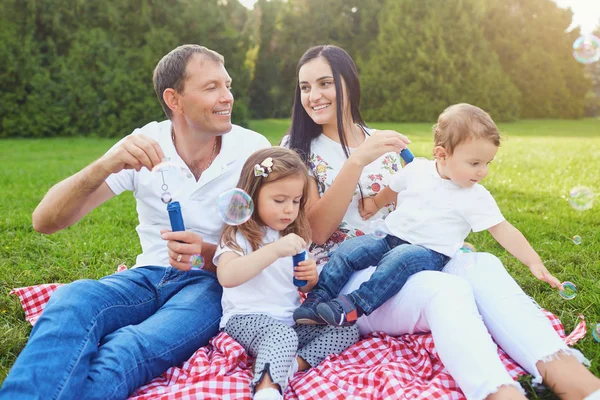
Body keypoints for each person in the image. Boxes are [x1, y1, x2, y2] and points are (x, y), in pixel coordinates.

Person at [285, 44, 600, 400]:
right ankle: (499, 393)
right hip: (350, 277)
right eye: (305, 87)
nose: (314, 96)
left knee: (482, 264)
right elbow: (316, 232)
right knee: (447, 290)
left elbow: (422, 199)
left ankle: (568, 374)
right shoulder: (297, 149)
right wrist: (355, 162)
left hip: (410, 253)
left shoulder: (384, 141)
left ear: (349, 84)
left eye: (325, 83)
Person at [0, 44, 270, 400]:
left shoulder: (254, 151)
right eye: (211, 87)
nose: (227, 97)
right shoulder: (145, 144)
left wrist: (208, 253)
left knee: (128, 346)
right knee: (71, 300)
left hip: (210, 286)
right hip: (147, 276)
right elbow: (44, 221)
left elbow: (274, 240)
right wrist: (105, 164)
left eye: (227, 85)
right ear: (174, 99)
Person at [294, 102, 562, 327]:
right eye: (475, 163)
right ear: (441, 154)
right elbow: (393, 188)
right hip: (390, 237)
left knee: (398, 260)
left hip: (428, 251)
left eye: (487, 163)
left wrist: (533, 262)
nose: (482, 172)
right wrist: (375, 203)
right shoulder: (418, 169)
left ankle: (352, 306)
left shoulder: (475, 196)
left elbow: (503, 230)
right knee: (351, 250)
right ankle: (318, 299)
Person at [215, 147, 359, 400]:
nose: (289, 210)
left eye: (296, 201)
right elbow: (227, 275)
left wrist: (310, 278)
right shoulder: (240, 235)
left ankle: (292, 365)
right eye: (279, 201)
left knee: (347, 329)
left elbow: (301, 287)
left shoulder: (292, 238)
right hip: (246, 319)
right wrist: (273, 250)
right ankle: (267, 389)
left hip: (288, 322)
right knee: (280, 336)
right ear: (252, 195)